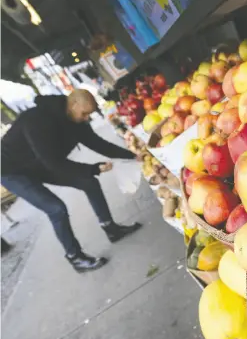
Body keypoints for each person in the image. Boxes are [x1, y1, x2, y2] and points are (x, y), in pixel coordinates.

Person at [1, 90, 142, 273]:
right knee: (56, 208)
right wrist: (93, 168)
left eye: (89, 114)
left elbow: (97, 143)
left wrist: (133, 155)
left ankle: (111, 229)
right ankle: (75, 258)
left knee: (89, 182)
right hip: (12, 171)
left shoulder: (76, 120)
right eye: (84, 113)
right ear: (73, 104)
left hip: (39, 163)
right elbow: (53, 163)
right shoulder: (36, 120)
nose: (86, 118)